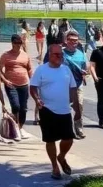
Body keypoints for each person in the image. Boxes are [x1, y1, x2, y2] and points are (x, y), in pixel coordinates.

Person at [30, 43, 79, 180]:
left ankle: (61, 156)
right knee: (50, 140)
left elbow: (73, 88)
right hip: (47, 110)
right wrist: (37, 99)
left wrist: (76, 107)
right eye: (56, 54)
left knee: (68, 138)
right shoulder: (41, 70)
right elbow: (33, 87)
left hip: (64, 110)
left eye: (61, 54)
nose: (59, 57)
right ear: (50, 55)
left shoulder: (66, 70)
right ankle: (55, 167)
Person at [0, 34, 34, 139]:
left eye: (20, 43)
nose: (18, 45)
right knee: (16, 106)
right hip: (11, 84)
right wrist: (5, 80)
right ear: (12, 43)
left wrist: (33, 82)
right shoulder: (6, 55)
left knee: (23, 108)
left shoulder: (25, 55)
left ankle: (20, 127)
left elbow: (29, 69)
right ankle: (16, 127)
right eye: (16, 43)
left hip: (24, 84)